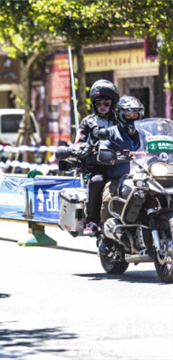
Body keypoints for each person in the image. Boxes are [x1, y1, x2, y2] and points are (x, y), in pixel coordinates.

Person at [98, 95, 144, 255]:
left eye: (135, 114)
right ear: (120, 115)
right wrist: (107, 154)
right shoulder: (111, 133)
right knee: (108, 199)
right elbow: (103, 148)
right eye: (128, 114)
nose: (132, 117)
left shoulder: (143, 133)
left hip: (144, 178)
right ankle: (106, 237)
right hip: (119, 179)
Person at [75, 79, 120, 236]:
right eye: (99, 103)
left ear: (112, 103)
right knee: (97, 181)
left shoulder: (121, 120)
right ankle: (92, 221)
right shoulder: (88, 122)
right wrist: (82, 149)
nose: (102, 107)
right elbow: (79, 141)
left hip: (121, 164)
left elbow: (137, 137)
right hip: (99, 164)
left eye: (106, 103)